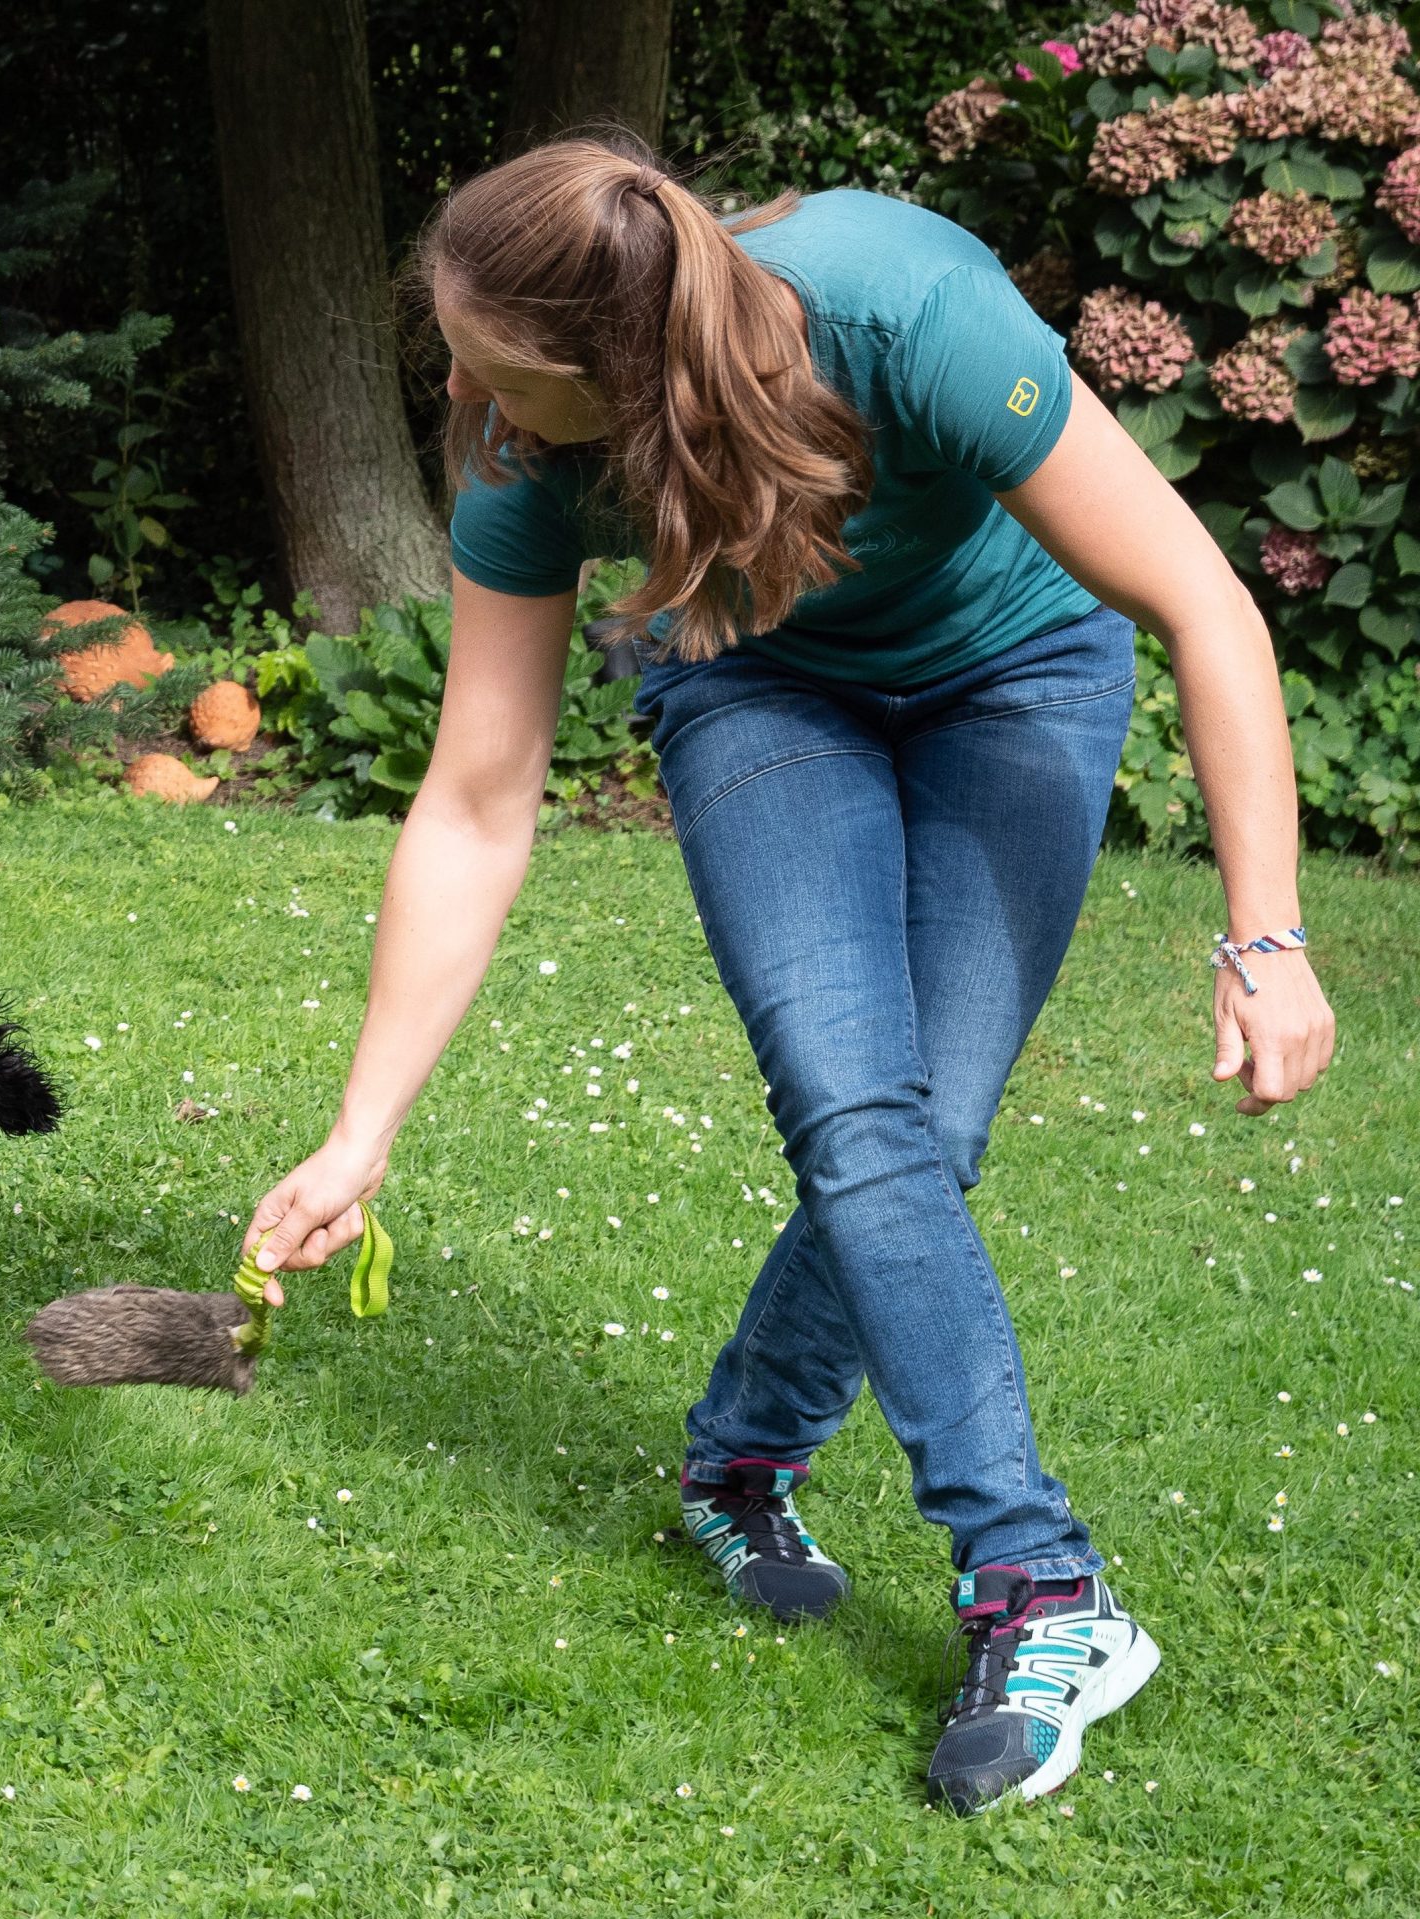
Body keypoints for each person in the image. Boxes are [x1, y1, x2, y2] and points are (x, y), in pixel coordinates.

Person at [241, 137, 1336, 1816]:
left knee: (927, 1135)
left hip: (1022, 672)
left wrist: (1265, 939)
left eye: (492, 362)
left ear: (617, 364)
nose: (460, 390)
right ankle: (1043, 1591)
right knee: (859, 1115)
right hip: (757, 687)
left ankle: (741, 1453)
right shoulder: (518, 455)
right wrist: (359, 1132)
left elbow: (1207, 605)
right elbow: (474, 800)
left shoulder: (905, 318)